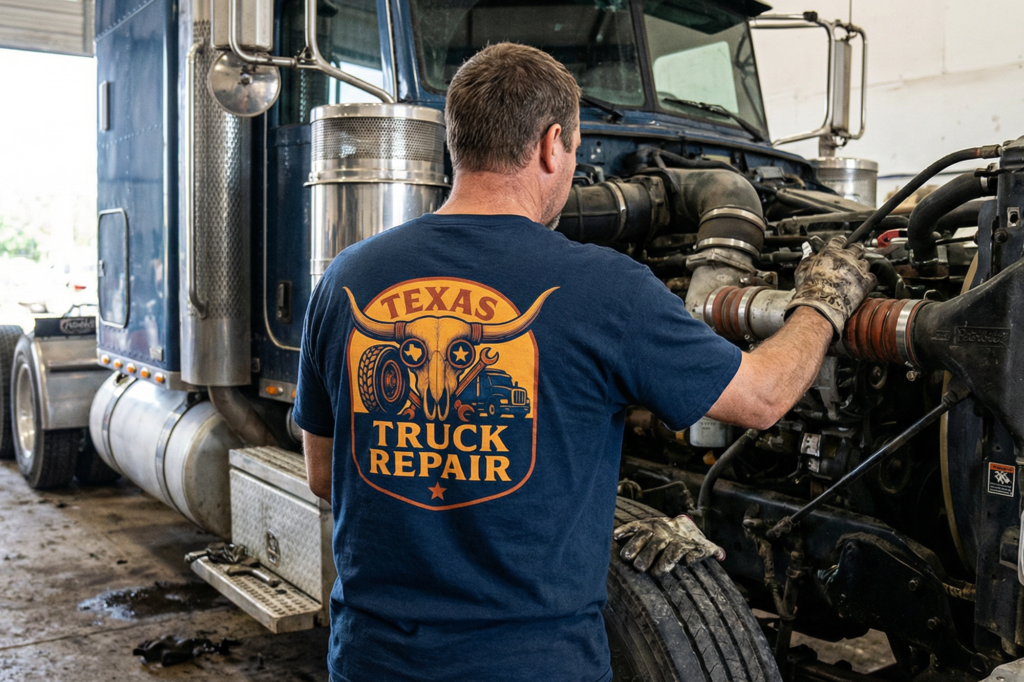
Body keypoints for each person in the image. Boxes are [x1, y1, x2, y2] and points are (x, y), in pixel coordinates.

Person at [294, 42, 874, 682]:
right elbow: (762, 399)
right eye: (572, 151)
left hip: (373, 660)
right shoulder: (605, 287)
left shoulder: (346, 278)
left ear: (456, 143)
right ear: (552, 145)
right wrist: (823, 304)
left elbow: (324, 474)